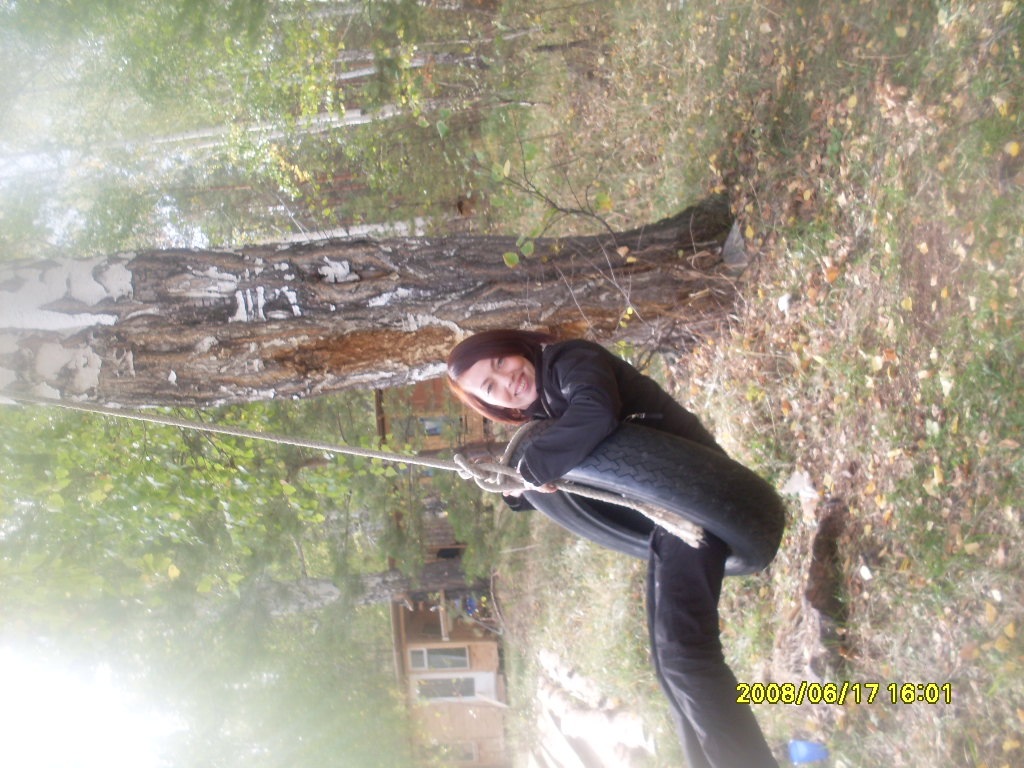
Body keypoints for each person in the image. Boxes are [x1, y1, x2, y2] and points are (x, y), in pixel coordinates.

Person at [447, 329, 779, 768]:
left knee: (685, 656)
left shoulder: (569, 361)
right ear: (491, 404)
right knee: (669, 665)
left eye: (500, 362)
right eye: (490, 386)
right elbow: (576, 475)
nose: (507, 379)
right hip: (668, 519)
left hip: (701, 499)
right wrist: (519, 487)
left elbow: (596, 411)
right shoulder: (544, 416)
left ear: (514, 348)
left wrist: (534, 468)